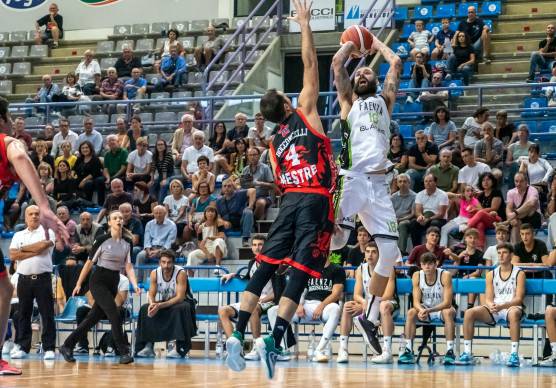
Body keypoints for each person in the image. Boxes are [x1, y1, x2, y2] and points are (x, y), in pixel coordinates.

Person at [224, 1, 336, 379]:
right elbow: (309, 66)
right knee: (302, 270)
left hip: (287, 203)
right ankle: (273, 338)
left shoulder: (272, 144)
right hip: (315, 200)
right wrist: (304, 24)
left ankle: (237, 332)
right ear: (287, 104)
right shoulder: (305, 111)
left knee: (265, 266)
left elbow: (278, 179)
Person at [331, 18, 402, 358]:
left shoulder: (386, 102)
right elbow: (336, 64)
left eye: (366, 73)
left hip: (379, 184)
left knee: (389, 253)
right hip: (353, 178)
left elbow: (396, 63)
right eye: (358, 73)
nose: (361, 74)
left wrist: (374, 44)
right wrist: (352, 43)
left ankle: (369, 318)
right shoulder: (348, 104)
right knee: (338, 239)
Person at [0, 97, 69, 375]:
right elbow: (18, 153)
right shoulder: (7, 141)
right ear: (4, 117)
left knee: (4, 289)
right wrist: (42, 205)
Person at [59, 210, 140, 364]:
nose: (119, 220)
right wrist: (78, 283)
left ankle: (67, 345)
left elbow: (128, 266)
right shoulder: (102, 239)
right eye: (115, 218)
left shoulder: (127, 242)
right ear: (109, 222)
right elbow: (89, 263)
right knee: (114, 313)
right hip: (98, 280)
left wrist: (134, 285)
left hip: (114, 280)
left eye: (121, 218)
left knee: (91, 319)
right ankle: (123, 352)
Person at [458, 243, 525, 367]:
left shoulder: (519, 273)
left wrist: (502, 306)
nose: (501, 255)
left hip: (511, 307)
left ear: (511, 255)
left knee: (514, 313)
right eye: (499, 253)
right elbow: (488, 298)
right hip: (495, 308)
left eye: (504, 252)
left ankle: (514, 354)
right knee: (469, 312)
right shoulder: (491, 274)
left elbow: (518, 299)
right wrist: (491, 305)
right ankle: (467, 353)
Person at [270, 258, 344, 363]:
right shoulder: (307, 268)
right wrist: (299, 304)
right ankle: (281, 348)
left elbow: (336, 294)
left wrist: (321, 306)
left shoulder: (337, 269)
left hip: (326, 306)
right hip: (307, 305)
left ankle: (319, 350)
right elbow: (301, 290)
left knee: (335, 309)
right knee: (274, 310)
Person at [8, 206, 56, 360]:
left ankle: (49, 348)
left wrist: (22, 250)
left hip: (43, 278)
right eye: (31, 214)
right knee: (23, 314)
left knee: (47, 314)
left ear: (41, 216)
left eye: (37, 213)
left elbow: (43, 247)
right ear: (26, 216)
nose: (34, 216)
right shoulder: (18, 234)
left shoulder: (48, 232)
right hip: (24, 279)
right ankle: (23, 346)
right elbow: (13, 255)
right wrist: (35, 249)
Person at [337, 243, 396, 364]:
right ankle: (343, 350)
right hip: (368, 304)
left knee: (383, 306)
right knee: (347, 307)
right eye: (368, 251)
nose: (370, 254)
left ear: (379, 255)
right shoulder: (361, 269)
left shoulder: (388, 268)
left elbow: (388, 294)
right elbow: (356, 295)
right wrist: (365, 303)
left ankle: (387, 351)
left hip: (388, 303)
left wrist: (369, 305)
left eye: (374, 252)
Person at [219, 235, 274, 361]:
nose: (257, 247)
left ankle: (257, 346)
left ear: (266, 246)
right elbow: (249, 279)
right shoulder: (252, 263)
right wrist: (233, 274)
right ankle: (236, 348)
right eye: (254, 245)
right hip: (253, 300)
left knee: (252, 307)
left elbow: (278, 292)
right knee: (223, 311)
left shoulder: (272, 263)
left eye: (260, 244)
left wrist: (262, 300)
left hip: (269, 301)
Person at [135, 250, 196, 359]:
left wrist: (160, 306)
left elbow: (180, 297)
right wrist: (152, 304)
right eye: (163, 262)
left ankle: (179, 348)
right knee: (145, 309)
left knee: (181, 308)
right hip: (167, 302)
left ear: (173, 263)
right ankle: (147, 346)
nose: (166, 265)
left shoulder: (180, 273)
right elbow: (151, 294)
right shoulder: (154, 273)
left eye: (169, 262)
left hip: (185, 302)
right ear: (159, 262)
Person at [399, 252, 456, 365]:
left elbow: (448, 303)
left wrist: (428, 310)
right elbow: (415, 301)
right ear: (421, 265)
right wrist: (420, 310)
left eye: (430, 264)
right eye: (424, 264)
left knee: (448, 312)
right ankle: (408, 350)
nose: (427, 267)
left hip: (442, 308)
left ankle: (450, 351)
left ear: (436, 264)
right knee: (411, 312)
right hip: (425, 308)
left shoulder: (445, 275)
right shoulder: (417, 275)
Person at [73, 272, 129, 356]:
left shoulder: (124, 279)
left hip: (117, 308)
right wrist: (98, 308)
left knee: (118, 312)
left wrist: (112, 284)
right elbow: (89, 297)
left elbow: (119, 302)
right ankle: (83, 346)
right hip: (100, 308)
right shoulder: (97, 276)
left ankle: (111, 346)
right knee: (81, 311)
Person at [135, 206, 177, 280]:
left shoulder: (172, 225)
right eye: (156, 213)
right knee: (140, 256)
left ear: (165, 213)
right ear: (153, 214)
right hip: (151, 248)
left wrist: (158, 251)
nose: (158, 215)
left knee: (165, 257)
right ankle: (138, 280)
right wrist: (148, 251)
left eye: (160, 213)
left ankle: (165, 280)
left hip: (165, 249)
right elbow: (147, 239)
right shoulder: (149, 224)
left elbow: (169, 242)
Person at [467, 172, 505, 249]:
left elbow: (494, 208)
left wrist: (477, 210)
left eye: (488, 180)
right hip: (485, 220)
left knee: (480, 213)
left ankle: (466, 228)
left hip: (497, 219)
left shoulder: (496, 192)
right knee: (480, 224)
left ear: (493, 181)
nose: (485, 182)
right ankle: (480, 248)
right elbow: (475, 209)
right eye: (483, 180)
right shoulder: (480, 195)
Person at [409, 174, 449, 247]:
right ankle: (417, 247)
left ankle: (434, 248)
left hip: (438, 219)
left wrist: (428, 219)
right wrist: (421, 217)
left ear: (435, 182)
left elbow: (441, 214)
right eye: (426, 181)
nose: (427, 183)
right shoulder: (420, 194)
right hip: (425, 217)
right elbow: (418, 211)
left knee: (434, 223)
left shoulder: (443, 195)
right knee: (413, 223)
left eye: (430, 181)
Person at [216, 179, 256, 246]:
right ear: (222, 188)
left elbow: (253, 191)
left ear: (233, 187)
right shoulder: (219, 201)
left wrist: (250, 206)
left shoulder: (239, 194)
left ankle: (245, 239)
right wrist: (223, 222)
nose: (226, 188)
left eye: (229, 186)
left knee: (248, 212)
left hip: (241, 221)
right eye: (224, 186)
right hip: (228, 224)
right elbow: (218, 216)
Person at [240, 147, 275, 220]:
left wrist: (259, 183)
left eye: (254, 155)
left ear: (259, 155)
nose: (252, 157)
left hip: (263, 196)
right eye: (250, 155)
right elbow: (243, 186)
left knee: (260, 203)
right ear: (247, 156)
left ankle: (253, 222)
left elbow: (272, 186)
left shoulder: (265, 168)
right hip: (249, 197)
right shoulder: (245, 169)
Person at [506, 172, 542, 243]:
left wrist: (515, 213)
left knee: (530, 208)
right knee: (516, 222)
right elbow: (508, 208)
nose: (518, 184)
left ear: (526, 182)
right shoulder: (510, 192)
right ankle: (515, 249)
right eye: (516, 181)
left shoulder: (532, 190)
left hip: (533, 218)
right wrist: (510, 217)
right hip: (518, 218)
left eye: (521, 181)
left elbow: (531, 203)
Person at [391, 174, 416, 255]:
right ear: (397, 184)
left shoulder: (415, 196)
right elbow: (390, 212)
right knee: (387, 225)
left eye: (405, 181)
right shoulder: (393, 197)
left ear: (409, 183)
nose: (402, 183)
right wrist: (394, 219)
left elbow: (413, 214)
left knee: (402, 224)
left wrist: (400, 220)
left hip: (407, 220)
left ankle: (400, 252)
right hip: (394, 219)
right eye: (400, 182)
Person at [75, 141, 105, 206]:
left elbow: (94, 173)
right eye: (83, 148)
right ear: (80, 150)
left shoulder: (95, 159)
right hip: (82, 178)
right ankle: (78, 204)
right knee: (72, 181)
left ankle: (99, 204)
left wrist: (84, 180)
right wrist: (72, 175)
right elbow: (74, 169)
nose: (84, 149)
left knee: (89, 183)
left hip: (94, 178)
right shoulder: (79, 159)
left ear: (90, 149)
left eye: (86, 148)